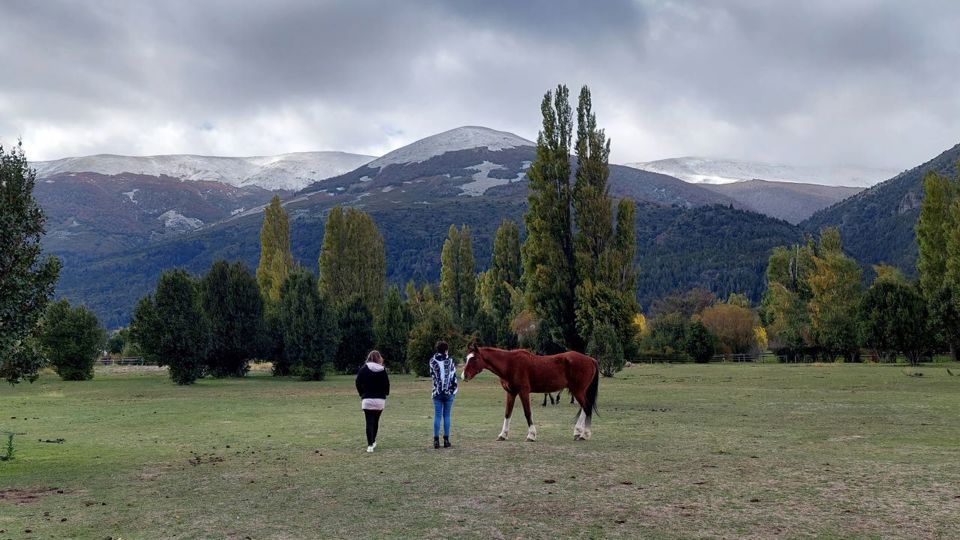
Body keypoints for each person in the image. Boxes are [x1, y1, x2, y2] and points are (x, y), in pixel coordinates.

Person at [355, 350, 390, 453]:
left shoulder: (364, 369)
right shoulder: (383, 370)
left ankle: (370, 445)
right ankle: (373, 440)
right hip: (380, 400)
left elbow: (357, 381)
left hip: (367, 399)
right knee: (376, 421)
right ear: (379, 358)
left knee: (369, 422)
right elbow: (387, 384)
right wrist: (385, 393)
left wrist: (361, 393)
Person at [429, 340, 458, 449]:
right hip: (448, 393)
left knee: (437, 415)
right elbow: (453, 377)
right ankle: (446, 440)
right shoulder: (450, 361)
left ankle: (436, 440)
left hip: (437, 392)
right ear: (446, 350)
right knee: (447, 416)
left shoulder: (432, 361)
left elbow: (433, 375)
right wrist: (453, 391)